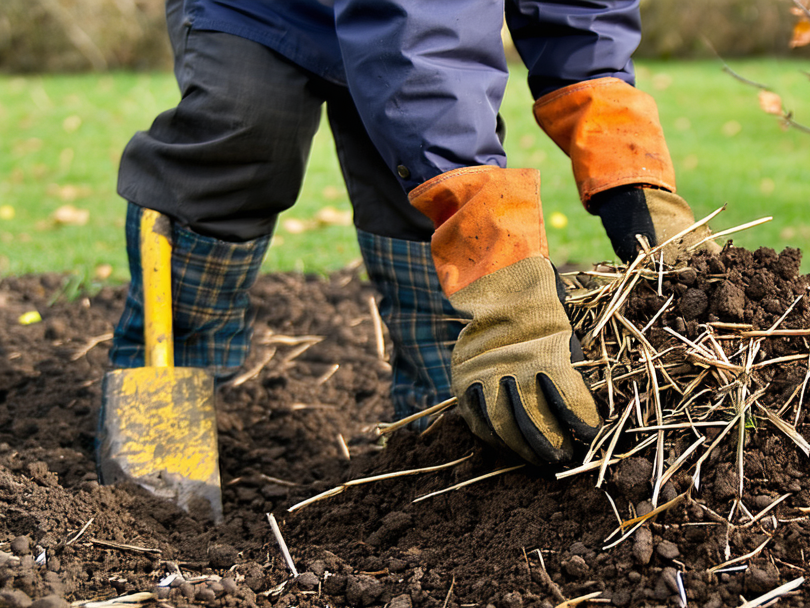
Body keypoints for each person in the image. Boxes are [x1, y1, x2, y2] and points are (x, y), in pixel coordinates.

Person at [109, 0, 710, 468]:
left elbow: (581, 18)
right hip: (266, 10)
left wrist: (629, 176)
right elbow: (420, 42)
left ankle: (439, 431)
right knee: (243, 137)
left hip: (419, 22)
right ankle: (165, 383)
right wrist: (507, 296)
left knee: (411, 195)